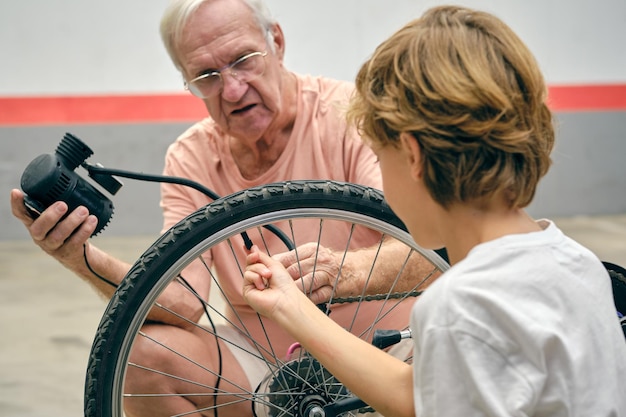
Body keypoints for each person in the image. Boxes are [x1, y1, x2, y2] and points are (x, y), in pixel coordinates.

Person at [10, 0, 435, 416]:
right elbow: (182, 300)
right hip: (267, 367)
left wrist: (342, 272)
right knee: (143, 355)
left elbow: (432, 246)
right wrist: (80, 257)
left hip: (389, 350)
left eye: (243, 60)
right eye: (206, 76)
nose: (232, 89)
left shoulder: (349, 116)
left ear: (278, 42)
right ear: (186, 80)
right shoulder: (190, 158)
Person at [244, 5, 626, 417]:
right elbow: (416, 396)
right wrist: (292, 308)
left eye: (380, 156)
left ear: (412, 155)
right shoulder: (579, 267)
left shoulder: (460, 308)